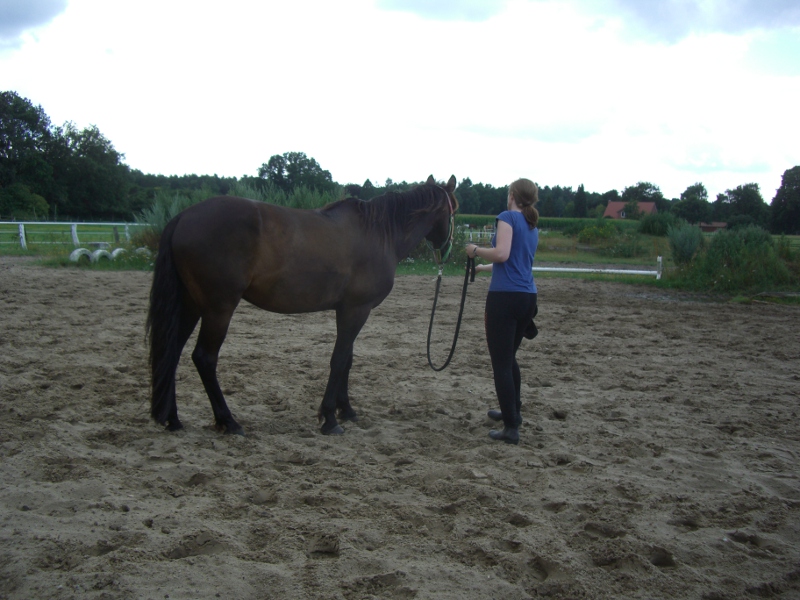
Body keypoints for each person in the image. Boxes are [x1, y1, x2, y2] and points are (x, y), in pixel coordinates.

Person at [465, 178, 539, 445]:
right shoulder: (531, 224)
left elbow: (502, 254)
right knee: (509, 359)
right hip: (527, 296)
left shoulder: (507, 217)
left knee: (501, 364)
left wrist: (475, 251)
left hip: (505, 298)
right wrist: (483, 268)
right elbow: (516, 260)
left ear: (512, 195)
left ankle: (510, 427)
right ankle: (513, 412)